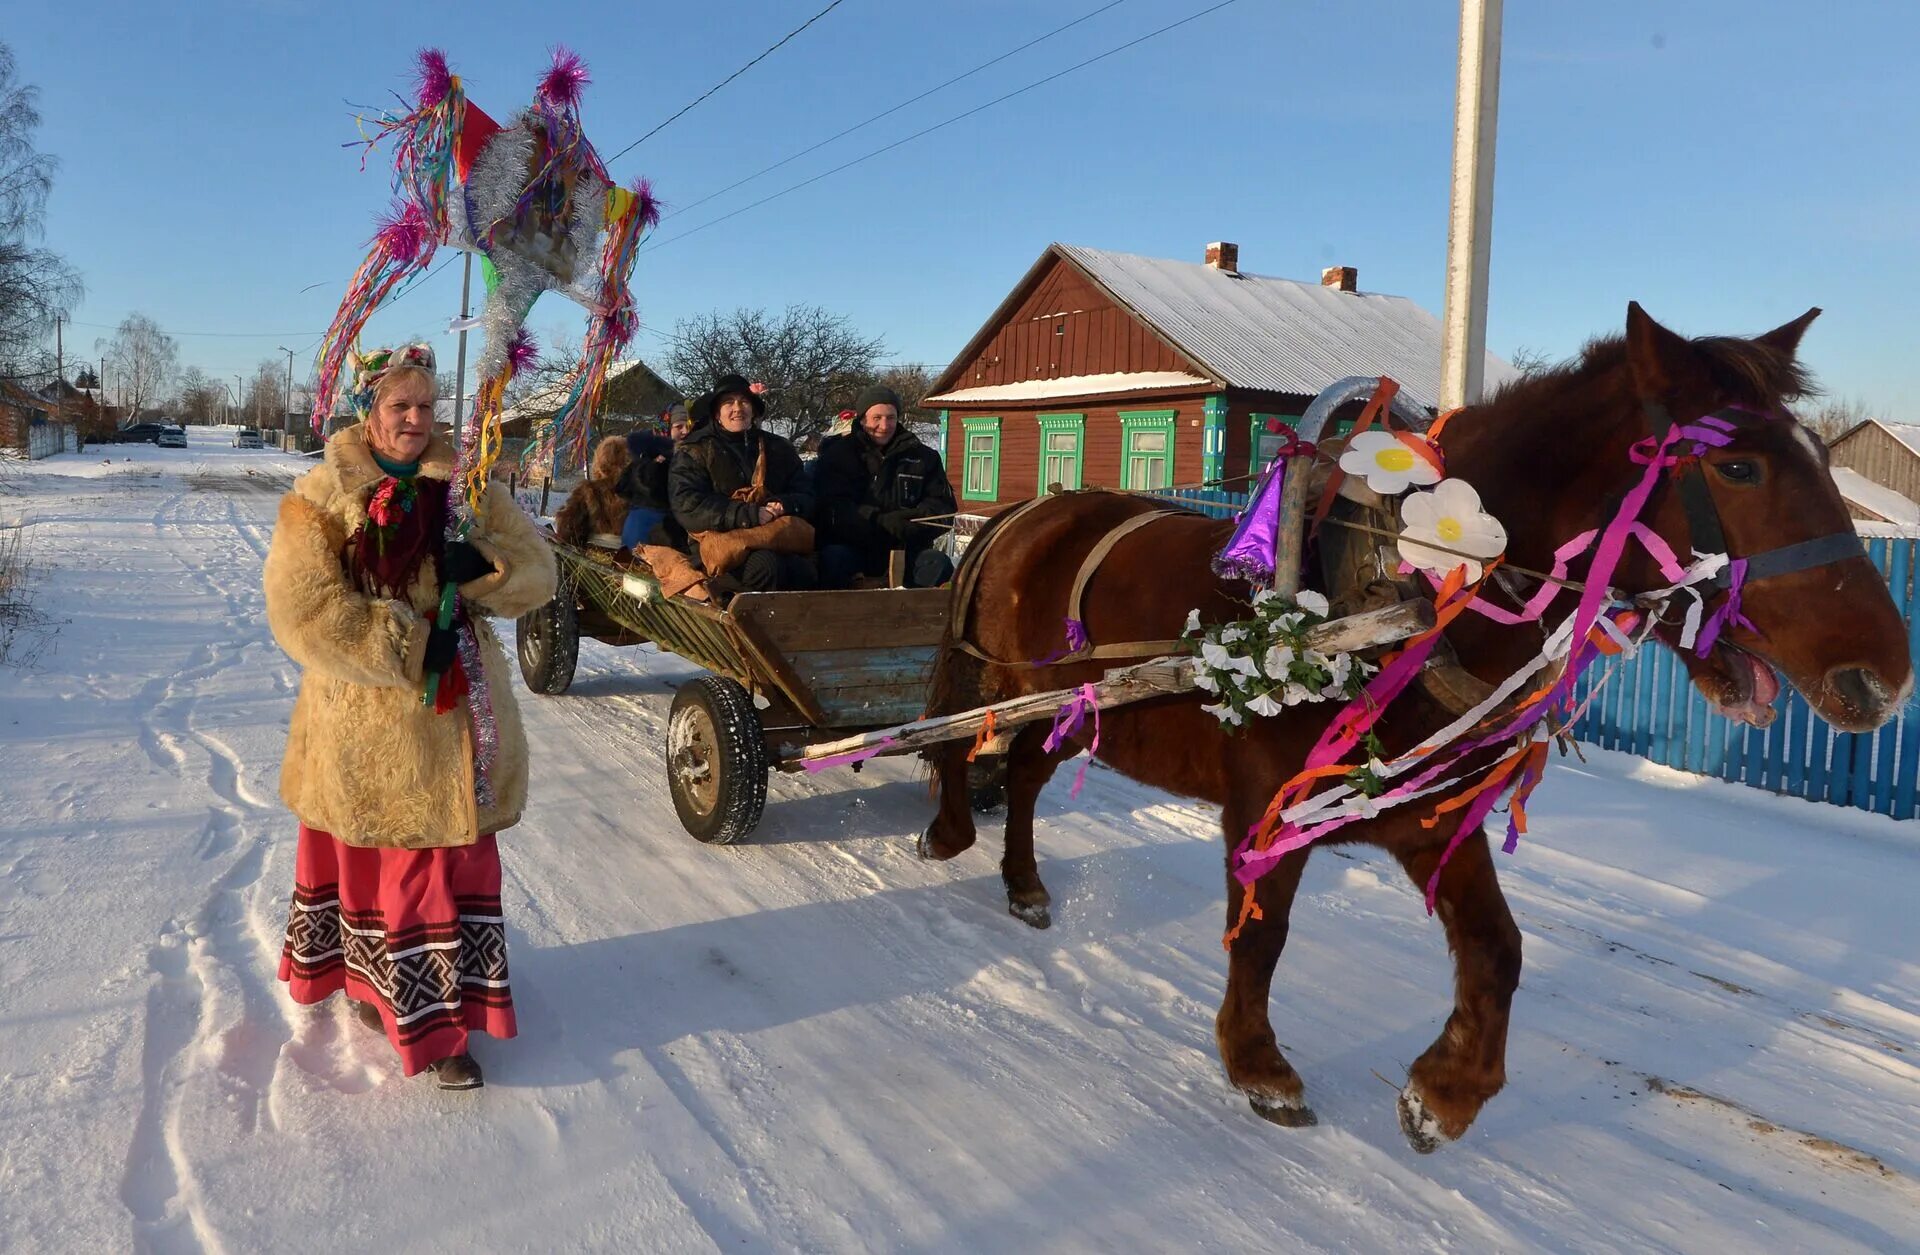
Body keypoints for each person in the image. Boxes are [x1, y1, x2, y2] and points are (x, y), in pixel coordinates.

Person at [262, 342, 557, 1091]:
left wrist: (484, 566)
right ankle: (394, 1003)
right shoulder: (323, 495)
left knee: (444, 861)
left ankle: (440, 1020)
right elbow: (303, 610)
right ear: (371, 410)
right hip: (366, 723)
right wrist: (405, 642)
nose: (418, 420)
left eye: (427, 406)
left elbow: (540, 572)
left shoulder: (469, 488)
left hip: (460, 718)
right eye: (402, 406)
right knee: (383, 861)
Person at [669, 373, 817, 599]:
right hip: (720, 544)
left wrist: (784, 504)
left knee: (805, 570)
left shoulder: (778, 447)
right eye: (728, 402)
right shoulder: (694, 450)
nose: (737, 408)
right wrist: (747, 514)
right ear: (717, 413)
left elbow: (807, 492)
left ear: (753, 410)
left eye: (744, 401)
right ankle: (747, 625)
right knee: (765, 566)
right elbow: (687, 504)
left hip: (774, 536)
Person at [813, 384, 956, 588]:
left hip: (906, 549)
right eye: (877, 418)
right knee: (832, 560)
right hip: (854, 547)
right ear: (862, 420)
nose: (884, 425)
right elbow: (832, 506)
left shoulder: (924, 457)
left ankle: (917, 617)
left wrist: (910, 523)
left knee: (937, 564)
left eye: (890, 417)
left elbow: (943, 509)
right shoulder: (839, 455)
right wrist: (876, 520)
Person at [618, 402, 690, 550]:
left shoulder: (690, 457)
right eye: (679, 427)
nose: (685, 431)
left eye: (688, 425)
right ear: (665, 429)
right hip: (648, 535)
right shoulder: (647, 462)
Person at [553, 435, 633, 550]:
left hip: (595, 557)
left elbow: (568, 529)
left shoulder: (589, 491)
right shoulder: (642, 493)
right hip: (634, 560)